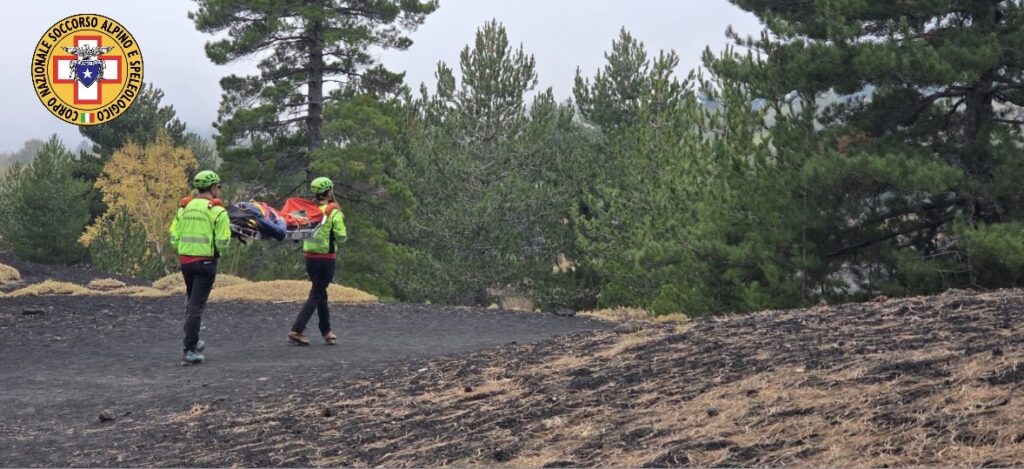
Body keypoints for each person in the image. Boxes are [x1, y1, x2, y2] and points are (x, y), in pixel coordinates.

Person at [169, 170, 230, 365]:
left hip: (186, 262)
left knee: (191, 302)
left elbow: (173, 236)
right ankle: (189, 349)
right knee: (197, 306)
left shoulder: (184, 208)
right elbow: (223, 241)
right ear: (212, 188)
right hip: (206, 263)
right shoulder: (217, 211)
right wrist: (217, 252)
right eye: (218, 187)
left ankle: (192, 341)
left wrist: (183, 250)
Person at [288, 177, 348, 346]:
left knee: (321, 293)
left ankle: (326, 331)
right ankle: (297, 329)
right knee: (316, 294)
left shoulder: (309, 210)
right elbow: (341, 237)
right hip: (326, 260)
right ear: (329, 191)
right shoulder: (333, 212)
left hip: (310, 258)